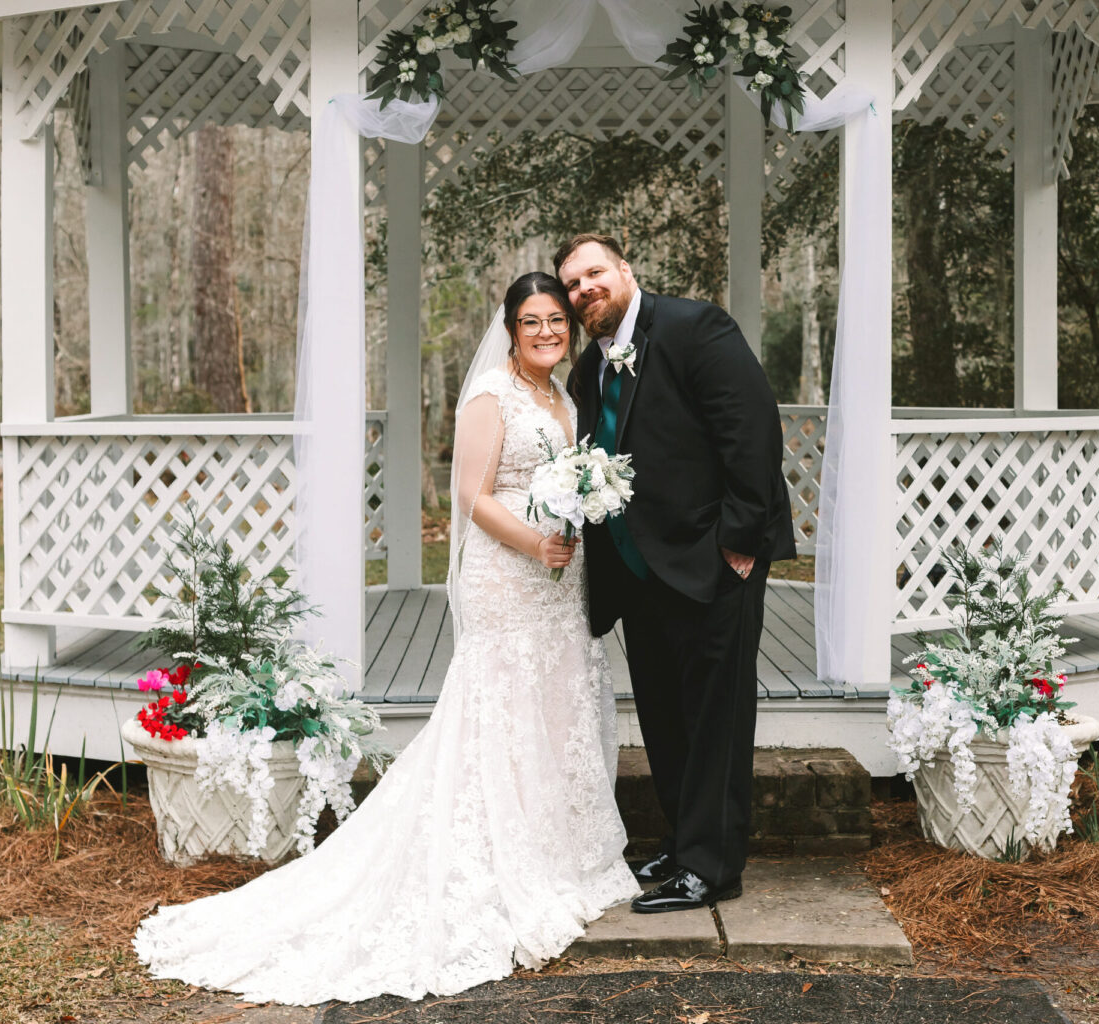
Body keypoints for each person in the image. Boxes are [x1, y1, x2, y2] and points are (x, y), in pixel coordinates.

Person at [132, 272, 638, 1004]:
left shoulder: (564, 396)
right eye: (531, 322)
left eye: (556, 320)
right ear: (510, 327)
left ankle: (558, 851)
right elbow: (472, 497)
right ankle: (498, 857)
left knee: (555, 704)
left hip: (562, 580)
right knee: (501, 705)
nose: (546, 333)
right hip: (511, 573)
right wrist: (535, 544)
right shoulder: (490, 396)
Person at [556, 234, 796, 914]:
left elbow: (751, 428)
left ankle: (713, 867)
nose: (583, 290)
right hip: (639, 572)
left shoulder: (695, 326)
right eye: (572, 285)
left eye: (594, 274)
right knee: (665, 716)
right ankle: (684, 842)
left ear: (624, 271)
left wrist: (741, 540)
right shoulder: (588, 369)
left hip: (713, 558)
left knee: (715, 714)